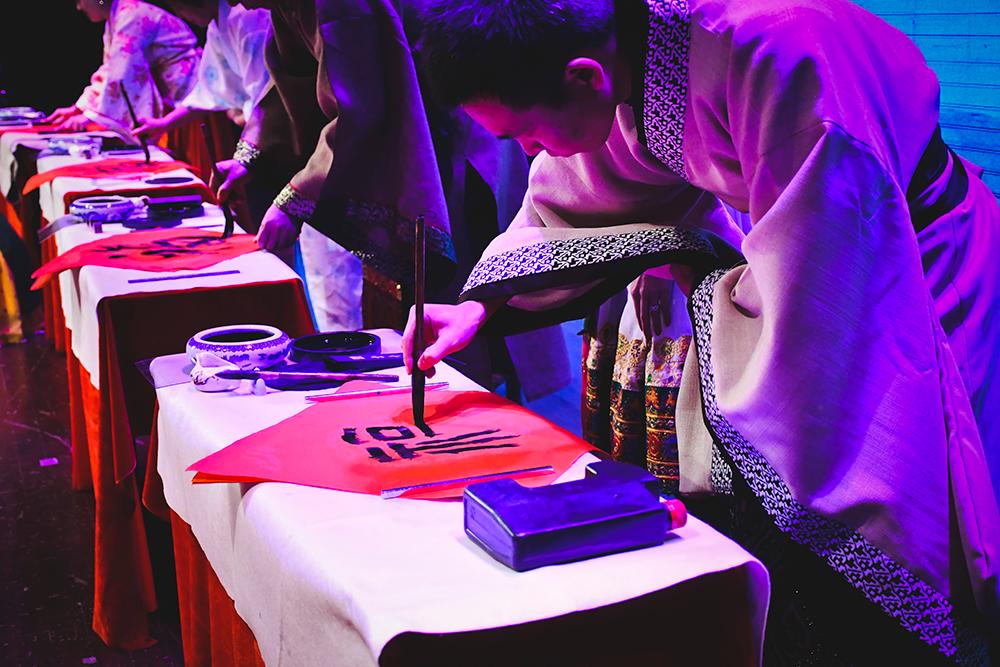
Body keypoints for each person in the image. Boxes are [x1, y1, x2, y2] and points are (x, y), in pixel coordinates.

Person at [407, 0, 1000, 663]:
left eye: (527, 133)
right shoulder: (626, 49)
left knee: (908, 497)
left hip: (910, 264)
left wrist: (701, 277)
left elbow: (824, 296)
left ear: (584, 77)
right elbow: (581, 192)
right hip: (815, 245)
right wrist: (482, 304)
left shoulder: (780, 56)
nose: (528, 153)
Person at [45, 0, 200, 136]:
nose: (79, 7)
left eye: (79, 0)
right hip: (175, 102)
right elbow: (109, 69)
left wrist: (89, 116)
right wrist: (79, 108)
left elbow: (122, 73)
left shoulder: (131, 15)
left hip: (191, 97)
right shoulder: (117, 16)